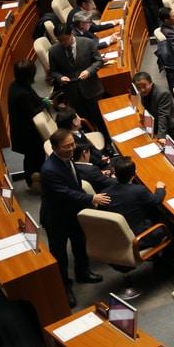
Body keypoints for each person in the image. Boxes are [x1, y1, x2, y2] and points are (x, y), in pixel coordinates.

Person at [40, 129, 109, 305]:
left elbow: (74, 184)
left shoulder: (67, 158)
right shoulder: (49, 170)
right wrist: (91, 198)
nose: (72, 149)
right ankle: (64, 287)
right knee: (60, 254)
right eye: (67, 146)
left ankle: (83, 272)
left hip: (72, 211)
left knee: (79, 242)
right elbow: (65, 193)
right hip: (56, 217)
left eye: (72, 144)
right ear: (55, 148)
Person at [103, 156, 173, 260]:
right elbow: (157, 200)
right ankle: (165, 265)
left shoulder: (105, 192)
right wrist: (160, 188)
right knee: (172, 226)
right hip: (138, 237)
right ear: (135, 173)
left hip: (117, 237)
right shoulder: (138, 190)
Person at [49, 23, 106, 130]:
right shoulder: (53, 51)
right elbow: (54, 71)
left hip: (92, 89)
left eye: (65, 39)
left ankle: (107, 143)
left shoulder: (87, 42)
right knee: (83, 121)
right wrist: (60, 77)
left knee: (100, 119)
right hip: (72, 93)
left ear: (71, 34)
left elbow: (98, 61)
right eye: (60, 40)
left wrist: (89, 71)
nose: (63, 43)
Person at [7, 60, 47, 182]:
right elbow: (32, 112)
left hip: (25, 130)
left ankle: (34, 179)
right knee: (35, 157)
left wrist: (42, 100)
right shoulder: (21, 93)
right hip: (27, 133)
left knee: (31, 157)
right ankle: (34, 181)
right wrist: (44, 104)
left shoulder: (16, 84)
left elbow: (33, 98)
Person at [133, 71, 174, 149]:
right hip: (157, 127)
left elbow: (163, 115)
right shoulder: (145, 93)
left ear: (151, 83)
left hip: (171, 130)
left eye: (144, 86)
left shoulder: (163, 93)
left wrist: (161, 136)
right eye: (138, 88)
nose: (142, 90)